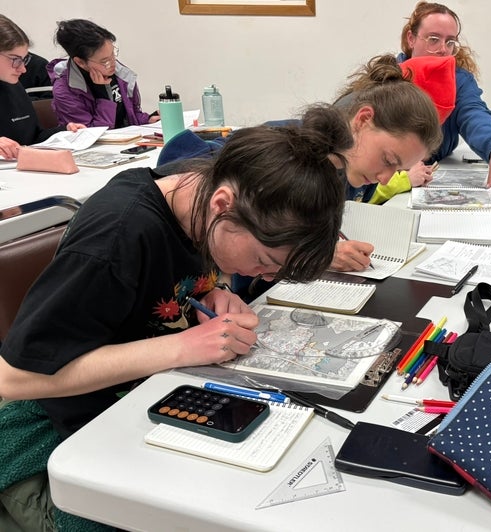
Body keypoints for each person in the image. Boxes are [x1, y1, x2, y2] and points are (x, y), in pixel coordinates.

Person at [0, 105, 352, 531]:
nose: (264, 276)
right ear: (224, 204)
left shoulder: (199, 199)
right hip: (48, 437)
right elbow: (14, 378)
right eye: (264, 261)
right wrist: (180, 347)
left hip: (136, 401)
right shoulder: (118, 236)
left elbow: (166, 282)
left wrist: (213, 293)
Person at [158, 54, 442, 279]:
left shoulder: (353, 175)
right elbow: (178, 166)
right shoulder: (289, 156)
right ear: (363, 119)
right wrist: (309, 254)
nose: (385, 179)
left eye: (398, 170)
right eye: (388, 160)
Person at [384, 1, 491, 197]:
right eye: (433, 39)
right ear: (411, 39)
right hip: (390, 180)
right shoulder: (388, 78)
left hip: (431, 174)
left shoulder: (459, 79)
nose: (443, 49)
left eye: (450, 42)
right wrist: (402, 175)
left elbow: (474, 113)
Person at [47, 19, 159, 128]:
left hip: (127, 142)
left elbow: (131, 116)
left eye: (113, 54)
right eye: (105, 61)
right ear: (80, 62)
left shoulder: (119, 74)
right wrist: (103, 95)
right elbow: (92, 135)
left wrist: (148, 120)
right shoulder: (65, 90)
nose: (113, 63)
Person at [0, 15, 83, 160]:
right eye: (15, 59)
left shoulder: (14, 87)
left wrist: (64, 132)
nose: (23, 69)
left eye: (24, 59)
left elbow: (33, 137)